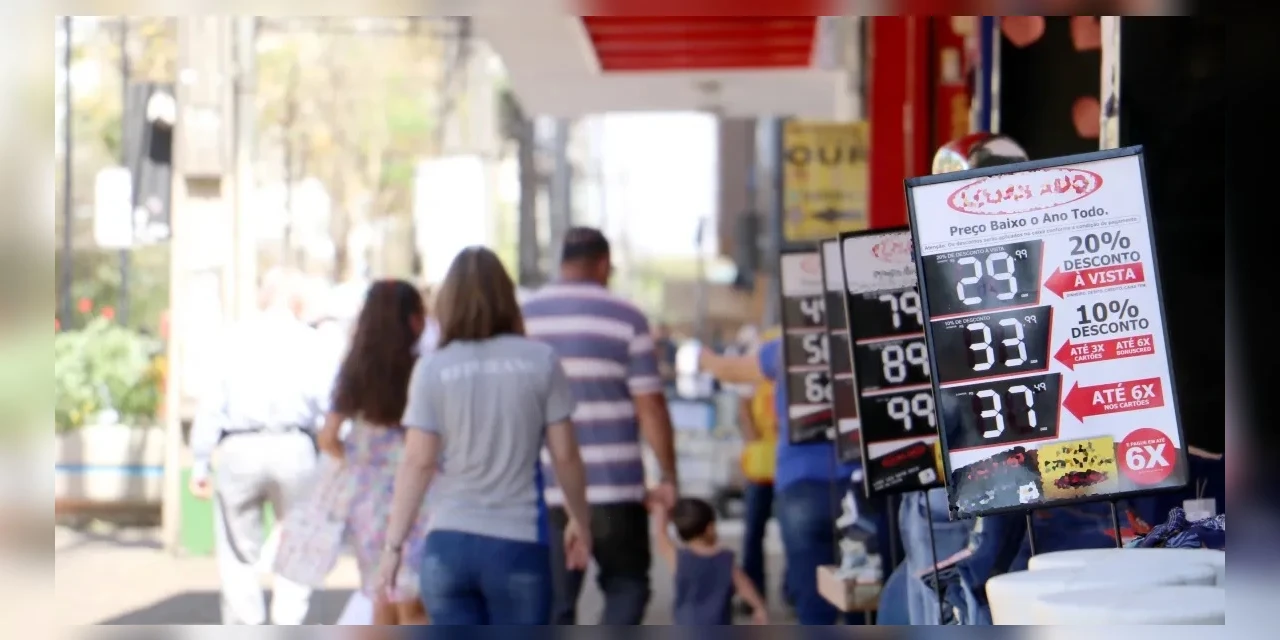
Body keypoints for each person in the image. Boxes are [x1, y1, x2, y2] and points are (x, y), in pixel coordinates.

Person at [378, 246, 594, 625]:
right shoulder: (540, 361)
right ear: (507, 298)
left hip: (447, 547)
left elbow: (418, 461)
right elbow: (565, 456)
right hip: (518, 543)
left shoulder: (432, 369)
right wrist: (580, 519)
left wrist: (393, 546)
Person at [521, 226, 680, 625]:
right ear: (603, 264)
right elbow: (651, 407)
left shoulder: (525, 318)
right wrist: (668, 475)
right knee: (626, 585)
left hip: (549, 487)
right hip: (616, 488)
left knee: (555, 604)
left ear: (562, 261)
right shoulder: (627, 317)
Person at [698, 339, 883, 625]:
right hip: (859, 481)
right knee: (861, 596)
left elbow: (732, 370)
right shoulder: (863, 334)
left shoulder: (787, 344)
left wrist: (705, 357)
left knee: (811, 601)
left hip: (801, 482)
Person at [188, 267, 328, 625]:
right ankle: (289, 623)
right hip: (295, 446)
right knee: (297, 543)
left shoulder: (233, 338)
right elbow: (327, 405)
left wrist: (201, 462)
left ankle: (245, 627)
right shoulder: (310, 341)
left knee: (238, 553)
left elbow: (211, 406)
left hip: (239, 449)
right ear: (295, 300)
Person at [306, 280, 432, 625]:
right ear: (412, 320)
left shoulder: (355, 371)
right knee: (414, 605)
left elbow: (328, 437)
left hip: (369, 505)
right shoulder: (423, 370)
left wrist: (361, 460)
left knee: (382, 600)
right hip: (419, 500)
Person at [652, 497, 769, 625]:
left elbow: (661, 538)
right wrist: (759, 607)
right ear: (710, 528)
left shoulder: (678, 558)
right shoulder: (726, 560)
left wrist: (660, 511)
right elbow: (744, 586)